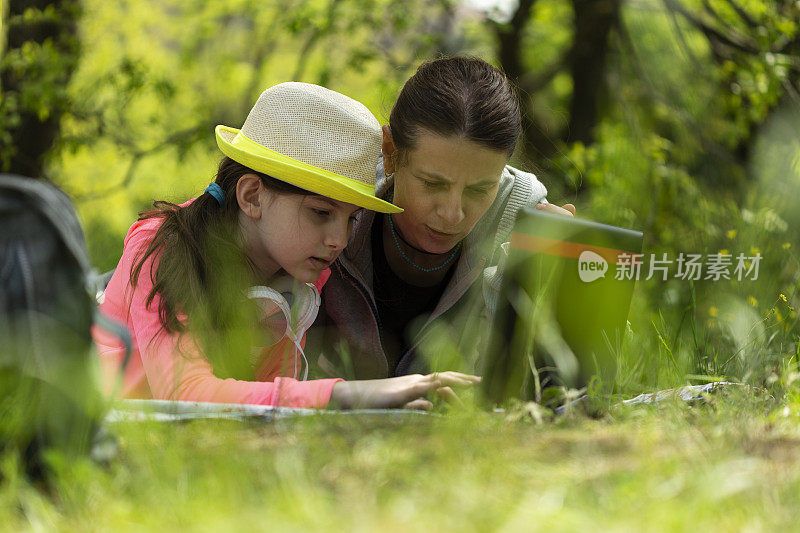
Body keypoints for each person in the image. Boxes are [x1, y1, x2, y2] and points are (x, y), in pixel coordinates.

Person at [93, 82, 479, 409]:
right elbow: (184, 392)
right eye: (320, 212)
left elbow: (273, 399)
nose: (339, 240)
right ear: (252, 196)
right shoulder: (164, 245)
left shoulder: (299, 271)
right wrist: (349, 395)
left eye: (352, 219)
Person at [310, 56, 576, 380]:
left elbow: (551, 384)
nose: (453, 214)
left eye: (480, 190)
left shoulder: (522, 218)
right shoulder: (336, 198)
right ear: (391, 151)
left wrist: (555, 290)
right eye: (433, 183)